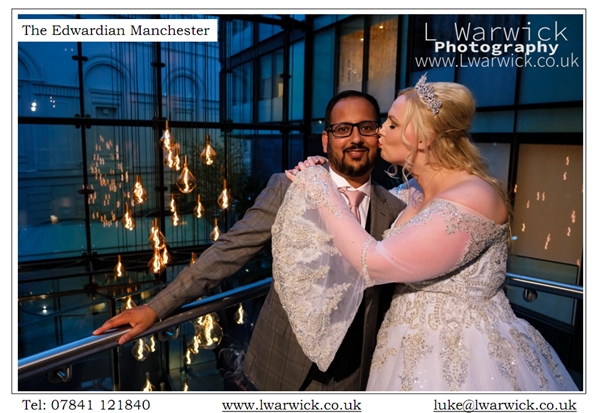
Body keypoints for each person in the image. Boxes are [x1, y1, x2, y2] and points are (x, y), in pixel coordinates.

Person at [274, 74, 578, 391]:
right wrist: (326, 173)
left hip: (462, 358)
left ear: (422, 137)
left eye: (391, 124)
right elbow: (359, 211)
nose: (379, 132)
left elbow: (373, 263)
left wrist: (321, 187)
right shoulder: (413, 192)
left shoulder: (475, 197)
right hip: (402, 349)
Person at [93, 90, 405, 391]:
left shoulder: (394, 211)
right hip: (280, 366)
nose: (355, 139)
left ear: (377, 135)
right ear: (326, 140)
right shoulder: (288, 188)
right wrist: (156, 308)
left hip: (353, 376)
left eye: (365, 128)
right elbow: (230, 251)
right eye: (342, 129)